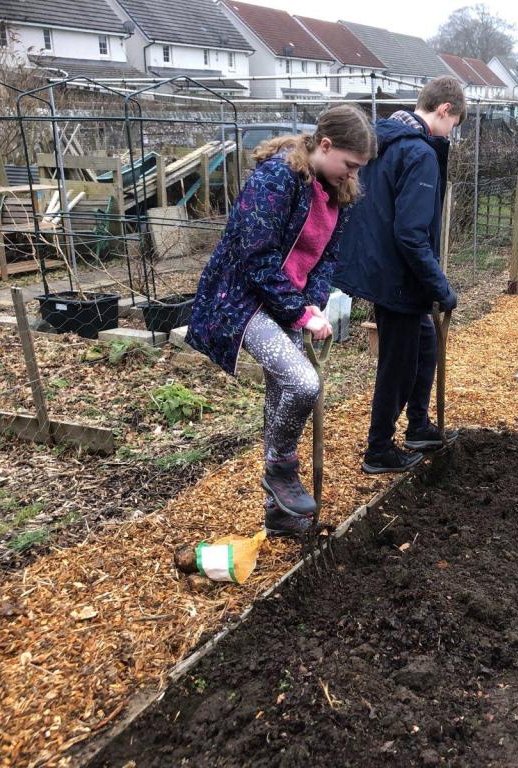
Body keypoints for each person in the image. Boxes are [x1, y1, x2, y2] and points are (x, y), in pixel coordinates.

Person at [186, 105, 377, 537]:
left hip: (285, 300)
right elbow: (256, 256)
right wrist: (298, 311)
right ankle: (281, 469)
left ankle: (279, 519)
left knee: (279, 399)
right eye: (349, 164)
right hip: (240, 299)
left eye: (357, 168)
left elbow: (326, 257)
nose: (351, 175)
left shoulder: (338, 192)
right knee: (303, 383)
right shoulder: (276, 179)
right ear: (324, 145)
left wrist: (312, 306)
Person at [334, 76, 464, 474]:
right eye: (453, 125)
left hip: (378, 265)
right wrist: (440, 287)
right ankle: (378, 449)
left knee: (423, 344)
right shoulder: (418, 153)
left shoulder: (382, 139)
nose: (450, 135)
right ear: (444, 110)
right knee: (399, 361)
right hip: (398, 275)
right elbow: (410, 233)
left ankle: (419, 426)